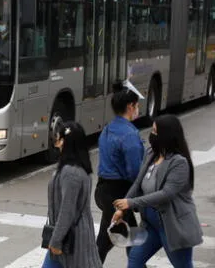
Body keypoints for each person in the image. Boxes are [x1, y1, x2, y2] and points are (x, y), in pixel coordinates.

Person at [113, 115, 203, 268]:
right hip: (151, 225)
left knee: (182, 265)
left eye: (155, 131)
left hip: (172, 226)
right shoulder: (151, 154)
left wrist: (131, 202)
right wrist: (122, 208)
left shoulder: (179, 162)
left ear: (166, 135)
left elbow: (166, 194)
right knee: (134, 260)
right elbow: (137, 183)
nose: (151, 134)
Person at [95, 80, 146, 263]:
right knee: (108, 241)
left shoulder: (107, 129)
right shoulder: (129, 135)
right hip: (120, 193)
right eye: (137, 105)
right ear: (130, 106)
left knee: (119, 238)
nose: (138, 109)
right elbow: (135, 172)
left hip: (104, 189)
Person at [42, 121, 102, 268]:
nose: (57, 143)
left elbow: (67, 211)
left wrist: (55, 240)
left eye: (59, 139)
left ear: (66, 142)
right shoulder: (77, 168)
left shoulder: (71, 172)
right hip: (67, 236)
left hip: (71, 240)